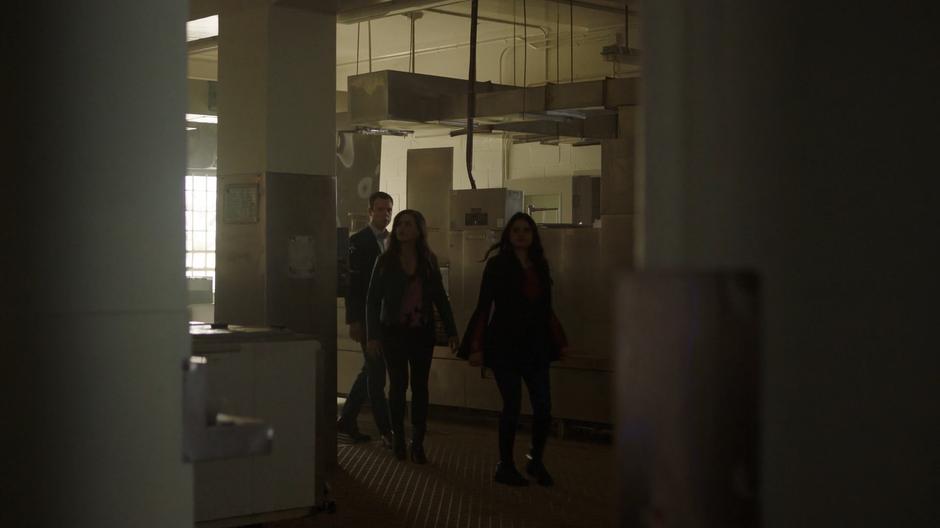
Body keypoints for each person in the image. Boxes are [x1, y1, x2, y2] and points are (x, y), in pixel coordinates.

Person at [458, 212, 569, 487]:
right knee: (512, 405)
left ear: (533, 236)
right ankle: (505, 464)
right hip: (505, 344)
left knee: (543, 406)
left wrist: (558, 340)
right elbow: (485, 305)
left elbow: (546, 308)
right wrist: (476, 346)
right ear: (508, 234)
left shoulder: (540, 266)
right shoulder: (497, 265)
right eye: (516, 230)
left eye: (526, 230)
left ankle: (535, 459)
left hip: (536, 344)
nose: (521, 234)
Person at [365, 209, 459, 463]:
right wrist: (372, 335)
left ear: (419, 229)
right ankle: (398, 438)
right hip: (393, 332)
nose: (402, 229)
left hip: (421, 332)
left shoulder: (428, 260)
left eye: (408, 224)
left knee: (420, 386)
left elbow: (440, 298)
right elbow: (372, 301)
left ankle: (417, 441)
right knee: (397, 384)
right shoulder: (385, 261)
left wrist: (451, 330)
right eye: (399, 225)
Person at [338, 191, 395, 447]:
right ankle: (386, 428)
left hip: (387, 318)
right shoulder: (358, 241)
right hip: (367, 317)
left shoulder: (393, 242)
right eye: (380, 209)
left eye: (388, 209)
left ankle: (348, 417)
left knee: (371, 369)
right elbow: (354, 285)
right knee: (376, 371)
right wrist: (355, 320)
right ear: (370, 211)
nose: (385, 214)